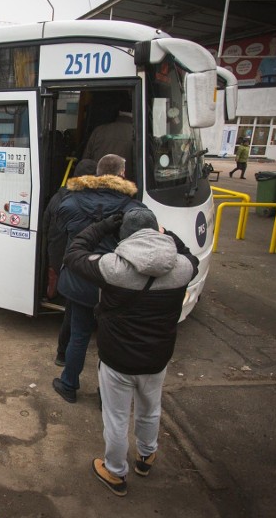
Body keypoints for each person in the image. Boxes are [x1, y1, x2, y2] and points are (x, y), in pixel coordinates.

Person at [62, 207, 198, 497]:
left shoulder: (113, 268)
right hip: (157, 358)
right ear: (157, 233)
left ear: (124, 236)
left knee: (117, 418)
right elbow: (189, 254)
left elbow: (74, 253)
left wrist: (102, 226)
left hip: (117, 360)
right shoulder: (183, 267)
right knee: (150, 410)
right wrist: (163, 232)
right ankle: (147, 456)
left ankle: (114, 471)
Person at [51, 154, 144, 403]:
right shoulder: (133, 208)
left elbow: (62, 228)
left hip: (80, 278)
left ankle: (69, 384)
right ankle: (105, 395)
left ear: (98, 173)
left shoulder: (71, 202)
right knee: (109, 341)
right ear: (122, 174)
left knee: (79, 334)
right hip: (114, 282)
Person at [42, 158, 97, 367]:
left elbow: (47, 224)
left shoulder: (60, 196)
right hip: (79, 260)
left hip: (59, 254)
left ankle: (61, 353)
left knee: (68, 302)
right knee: (77, 314)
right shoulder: (93, 203)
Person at [83, 93, 134, 170]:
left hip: (98, 180)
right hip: (124, 181)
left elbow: (85, 163)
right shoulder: (138, 134)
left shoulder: (99, 131)